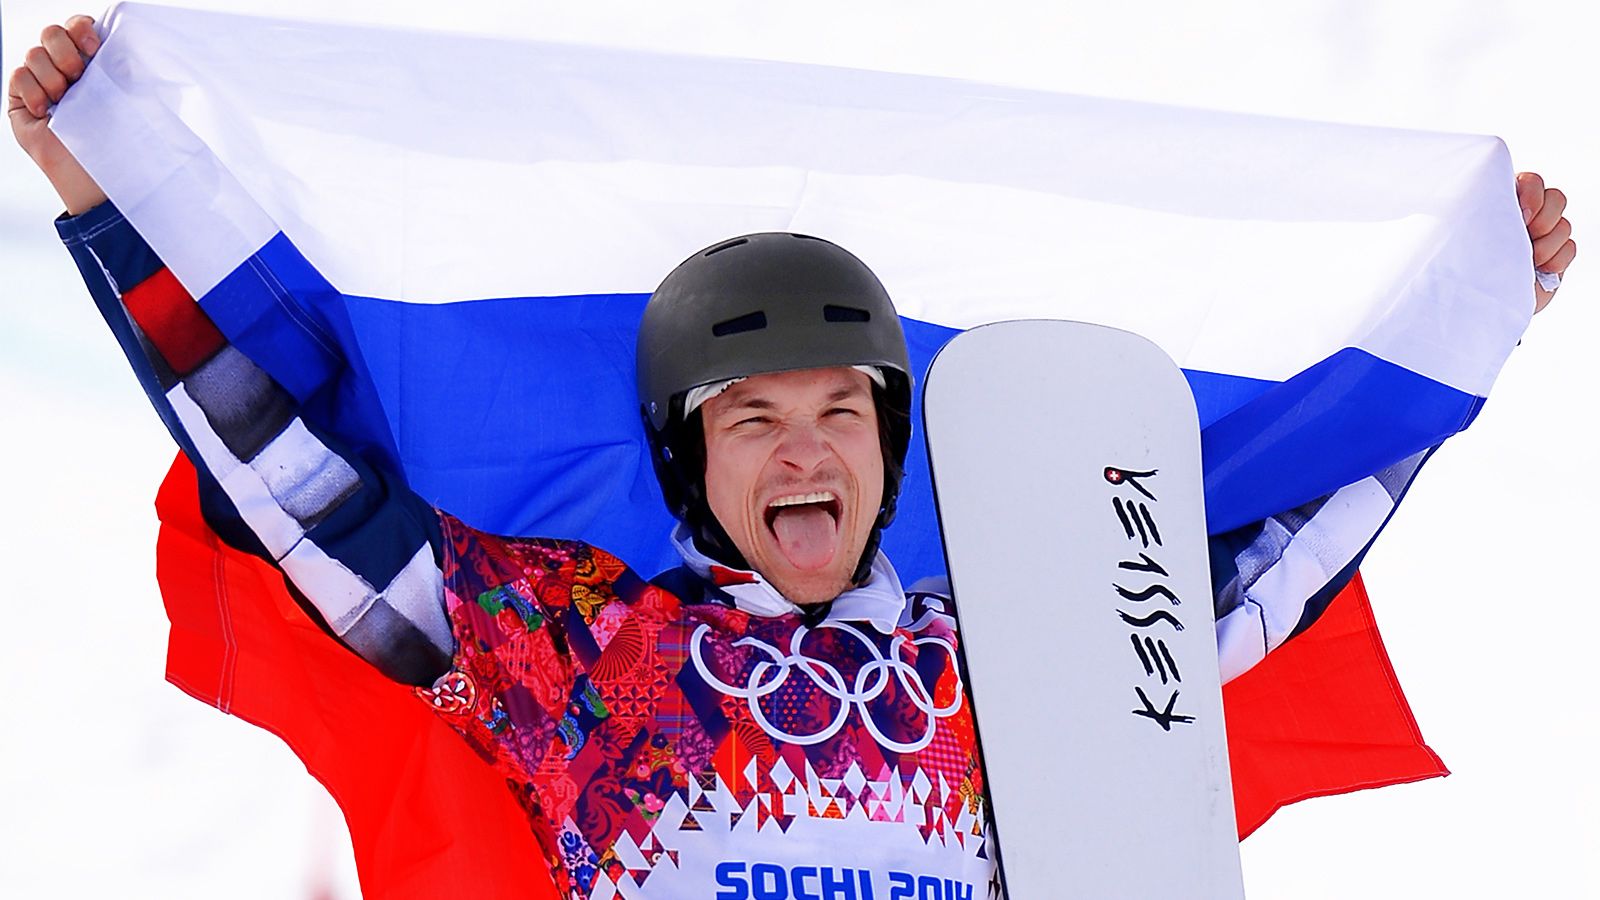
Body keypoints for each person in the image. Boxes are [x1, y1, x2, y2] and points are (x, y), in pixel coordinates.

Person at [10, 15, 1576, 898]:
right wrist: (114, 199)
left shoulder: (1024, 660)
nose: (804, 447)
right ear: (692, 467)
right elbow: (309, 495)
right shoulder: (577, 649)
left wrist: (1462, 322)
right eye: (752, 419)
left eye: (839, 412)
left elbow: (1256, 559)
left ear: (894, 454)